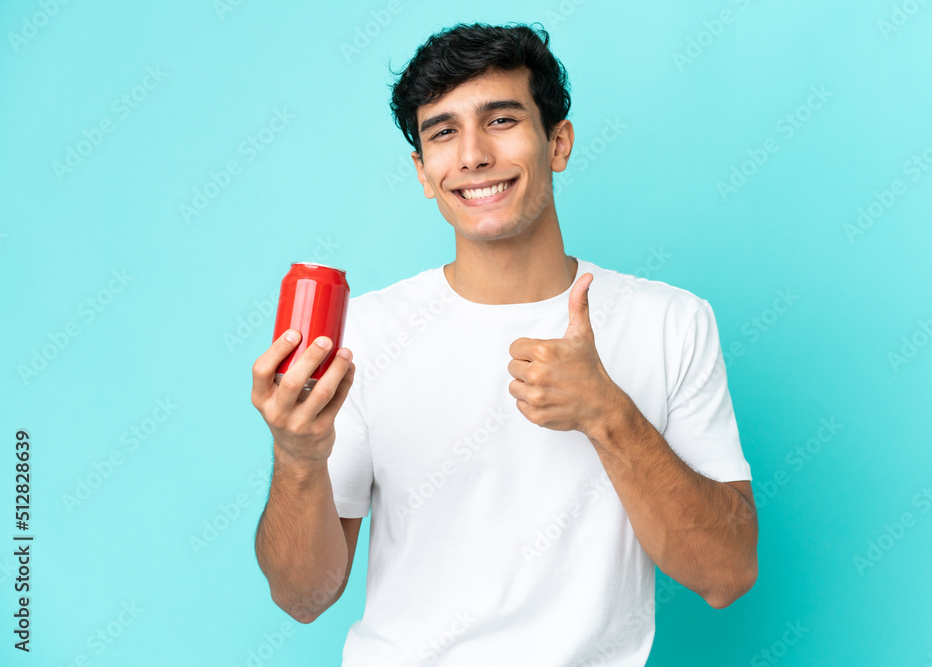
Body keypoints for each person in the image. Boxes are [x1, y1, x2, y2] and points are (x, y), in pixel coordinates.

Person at [253, 21, 757, 666]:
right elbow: (303, 596)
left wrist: (608, 413)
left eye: (500, 120)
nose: (471, 156)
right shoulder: (367, 336)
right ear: (423, 173)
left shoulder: (671, 321)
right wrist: (297, 456)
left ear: (559, 142)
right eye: (442, 132)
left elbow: (727, 574)